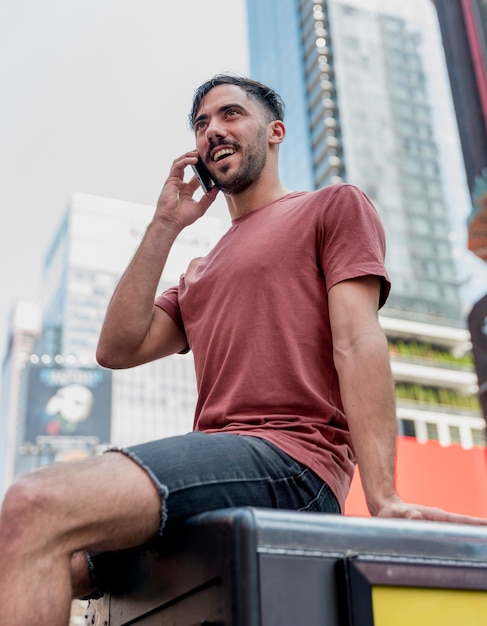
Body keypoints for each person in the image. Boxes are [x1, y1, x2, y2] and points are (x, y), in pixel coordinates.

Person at [0, 74, 485, 625]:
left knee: (33, 502)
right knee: (34, 550)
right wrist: (165, 224)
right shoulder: (198, 273)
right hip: (214, 469)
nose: (212, 131)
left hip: (291, 461)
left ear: (275, 131)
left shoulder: (331, 207)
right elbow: (116, 347)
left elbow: (357, 341)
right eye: (201, 123)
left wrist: (384, 498)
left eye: (230, 114)